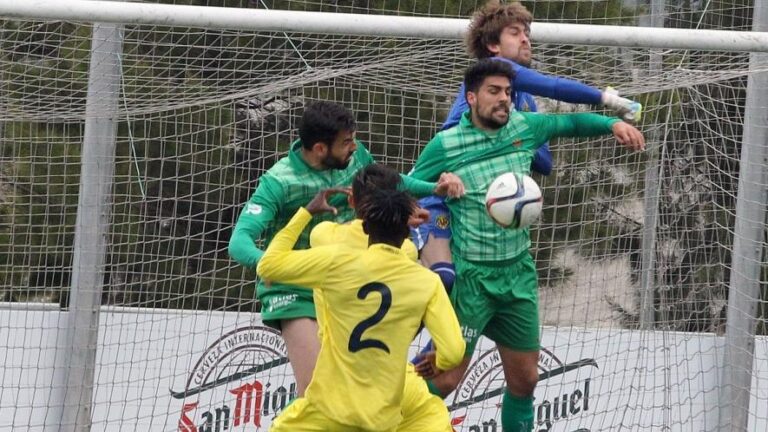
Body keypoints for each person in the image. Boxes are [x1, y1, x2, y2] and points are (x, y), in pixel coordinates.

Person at [409, 59, 644, 431]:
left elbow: (570, 124)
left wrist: (612, 123)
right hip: (473, 281)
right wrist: (436, 188)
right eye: (493, 92)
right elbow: (403, 186)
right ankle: (386, 416)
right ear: (470, 97)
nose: (504, 99)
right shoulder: (447, 144)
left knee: (526, 381)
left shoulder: (524, 126)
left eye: (507, 92)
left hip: (517, 277)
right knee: (446, 379)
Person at [228, 100, 462, 397]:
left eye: (353, 140)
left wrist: (432, 189)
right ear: (320, 149)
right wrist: (269, 265)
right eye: (346, 142)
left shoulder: (355, 156)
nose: (353, 147)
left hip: (346, 282)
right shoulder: (279, 181)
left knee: (355, 390)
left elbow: (385, 183)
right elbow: (239, 242)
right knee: (317, 390)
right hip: (296, 289)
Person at [413, 0, 642, 296]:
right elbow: (554, 86)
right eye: (515, 32)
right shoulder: (492, 73)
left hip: (472, 212)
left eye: (527, 33)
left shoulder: (521, 106)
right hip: (437, 202)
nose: (525, 39)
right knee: (445, 279)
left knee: (469, 294)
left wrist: (518, 143)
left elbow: (545, 163)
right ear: (493, 45)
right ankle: (398, 333)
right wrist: (610, 99)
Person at [257, 187, 465, 432]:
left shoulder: (336, 260)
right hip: (382, 417)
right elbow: (453, 351)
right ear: (408, 230)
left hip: (326, 413)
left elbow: (267, 266)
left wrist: (306, 212)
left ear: (365, 227)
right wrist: (438, 359)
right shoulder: (426, 281)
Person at [310, 164, 454, 432]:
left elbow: (272, 265)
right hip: (397, 381)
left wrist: (305, 212)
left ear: (352, 200)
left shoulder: (323, 237)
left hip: (342, 386)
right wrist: (400, 222)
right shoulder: (409, 251)